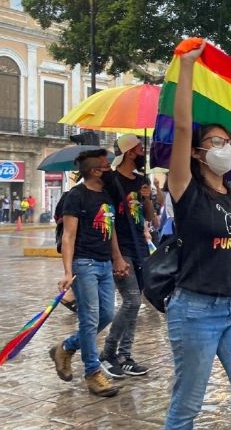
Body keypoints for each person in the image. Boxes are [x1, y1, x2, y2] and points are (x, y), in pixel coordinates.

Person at [163, 41, 231, 429]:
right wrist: (188, 67)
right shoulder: (186, 189)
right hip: (194, 311)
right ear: (197, 153)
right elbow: (183, 126)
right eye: (216, 142)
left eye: (229, 143)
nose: (224, 148)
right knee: (186, 408)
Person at [49, 148, 130, 397]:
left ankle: (66, 347)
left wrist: (117, 257)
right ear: (95, 171)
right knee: (90, 318)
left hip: (105, 263)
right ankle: (93, 373)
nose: (110, 171)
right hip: (84, 264)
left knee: (106, 314)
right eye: (107, 167)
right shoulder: (76, 196)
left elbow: (111, 228)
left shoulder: (106, 195)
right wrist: (66, 271)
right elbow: (69, 236)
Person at [99, 134, 154, 379]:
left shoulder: (142, 180)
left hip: (140, 247)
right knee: (131, 301)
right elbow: (108, 219)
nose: (144, 152)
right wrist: (116, 256)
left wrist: (146, 197)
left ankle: (126, 355)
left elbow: (151, 217)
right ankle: (108, 353)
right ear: (130, 152)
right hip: (121, 249)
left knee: (135, 304)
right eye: (140, 148)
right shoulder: (111, 180)